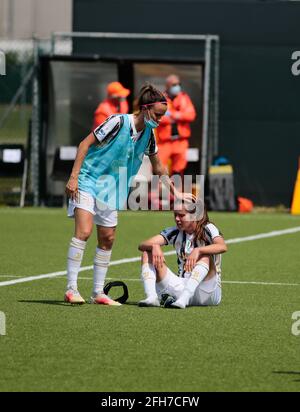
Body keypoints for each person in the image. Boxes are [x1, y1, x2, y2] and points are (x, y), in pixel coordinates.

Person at [64, 84, 185, 305]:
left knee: (107, 239)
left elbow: (158, 167)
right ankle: (71, 288)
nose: (160, 119)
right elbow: (84, 144)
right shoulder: (117, 121)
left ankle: (98, 293)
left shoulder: (149, 134)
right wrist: (73, 177)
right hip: (88, 180)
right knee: (84, 231)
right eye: (157, 114)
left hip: (112, 190)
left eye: (163, 115)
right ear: (146, 108)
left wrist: (177, 193)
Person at [138, 197, 227, 308]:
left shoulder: (208, 228)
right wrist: (155, 246)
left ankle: (184, 300)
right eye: (175, 214)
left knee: (205, 256)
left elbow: (222, 246)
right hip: (181, 285)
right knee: (147, 253)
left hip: (207, 291)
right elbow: (142, 245)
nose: (177, 219)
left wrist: (198, 250)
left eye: (181, 215)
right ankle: (151, 297)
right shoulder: (175, 231)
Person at [156, 74, 196, 176]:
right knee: (158, 169)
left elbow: (191, 115)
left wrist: (173, 115)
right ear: (168, 86)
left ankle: (175, 191)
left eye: (178, 84)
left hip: (180, 141)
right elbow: (158, 117)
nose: (177, 86)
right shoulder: (160, 99)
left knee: (178, 170)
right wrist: (180, 117)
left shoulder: (184, 98)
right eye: (174, 84)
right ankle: (157, 191)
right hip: (164, 141)